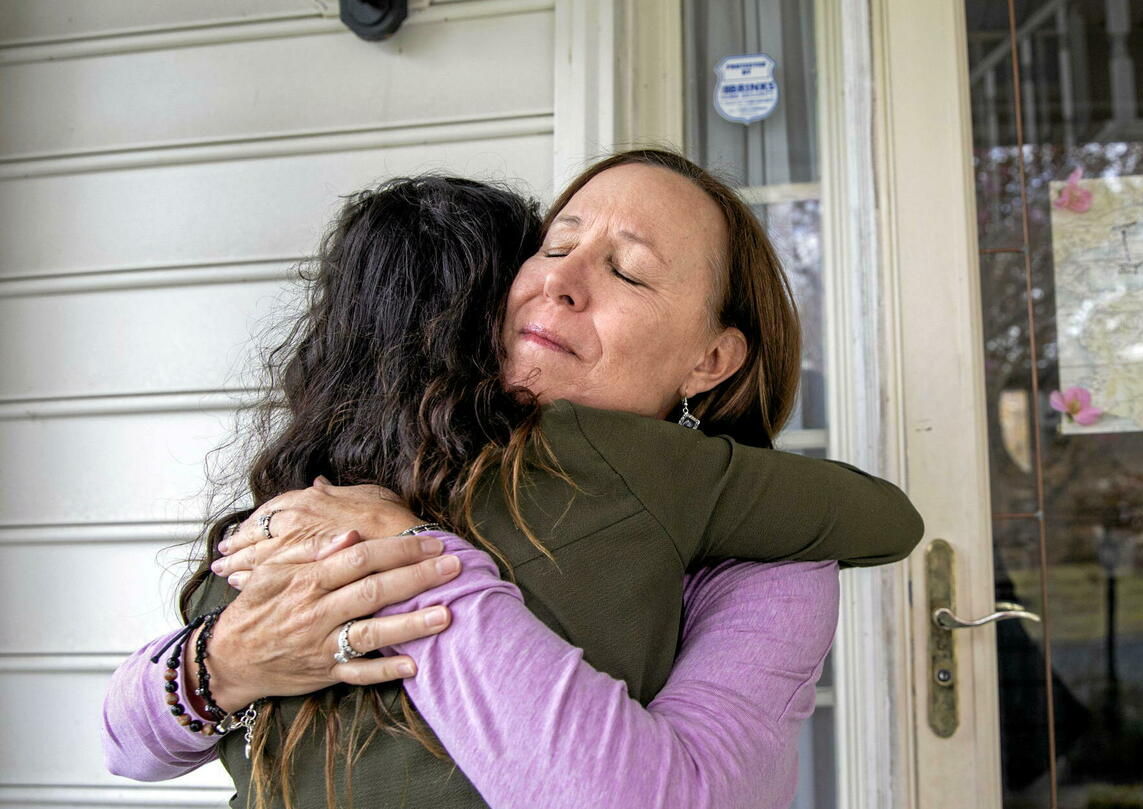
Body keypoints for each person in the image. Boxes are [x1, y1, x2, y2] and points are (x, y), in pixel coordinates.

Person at [102, 156, 923, 807]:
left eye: (629, 273)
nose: (560, 280)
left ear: (711, 359)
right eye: (554, 245)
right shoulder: (381, 466)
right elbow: (125, 738)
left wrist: (412, 560)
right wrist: (218, 665)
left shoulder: (765, 558)